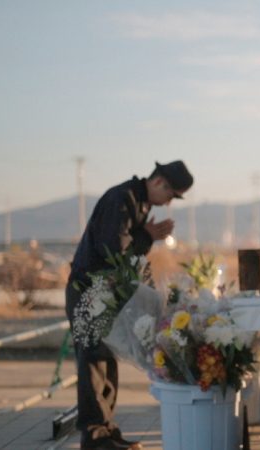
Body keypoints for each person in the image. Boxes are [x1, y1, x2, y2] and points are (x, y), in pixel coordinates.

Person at [65, 160, 193, 450]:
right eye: (171, 195)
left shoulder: (140, 204)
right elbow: (113, 248)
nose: (169, 202)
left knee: (107, 359)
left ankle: (106, 430)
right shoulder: (122, 199)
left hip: (107, 292)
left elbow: (130, 254)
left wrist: (146, 237)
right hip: (89, 290)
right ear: (159, 182)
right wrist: (148, 234)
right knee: (92, 362)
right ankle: (94, 436)